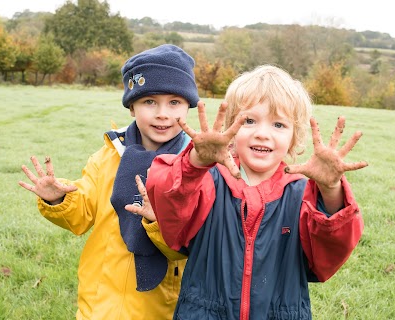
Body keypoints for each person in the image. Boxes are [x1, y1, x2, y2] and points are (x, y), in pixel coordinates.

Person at [143, 65, 368, 319]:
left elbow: (330, 252)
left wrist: (331, 189)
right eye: (249, 121)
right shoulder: (208, 180)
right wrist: (195, 161)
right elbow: (168, 201)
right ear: (231, 130)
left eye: (279, 125)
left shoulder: (301, 194)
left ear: (295, 137)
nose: (262, 134)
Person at [18, 44, 200, 320]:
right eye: (149, 101)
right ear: (131, 107)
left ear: (188, 106)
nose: (162, 113)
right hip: (99, 299)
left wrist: (156, 220)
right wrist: (57, 198)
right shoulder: (108, 156)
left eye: (174, 102)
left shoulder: (194, 165)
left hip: (158, 304)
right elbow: (83, 212)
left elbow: (188, 241)